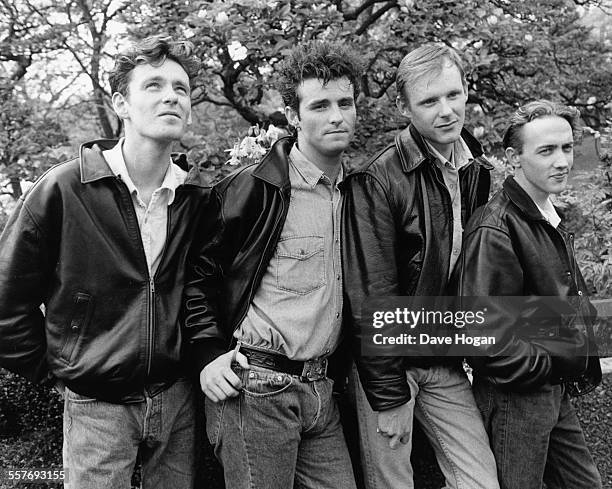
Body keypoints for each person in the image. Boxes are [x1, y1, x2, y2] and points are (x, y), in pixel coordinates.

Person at [0, 35, 209, 488]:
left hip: (178, 401)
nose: (172, 95)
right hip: (98, 407)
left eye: (181, 87)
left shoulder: (199, 197)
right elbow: (6, 301)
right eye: (153, 85)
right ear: (121, 103)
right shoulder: (63, 189)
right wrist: (57, 370)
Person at [182, 41, 360, 489]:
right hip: (256, 391)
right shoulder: (253, 188)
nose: (336, 115)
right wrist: (206, 356)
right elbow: (198, 277)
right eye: (320, 105)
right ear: (293, 115)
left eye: (345, 102)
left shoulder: (358, 193)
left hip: (321, 392)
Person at [342, 43, 500, 489]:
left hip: (442, 358)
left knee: (480, 480)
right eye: (429, 101)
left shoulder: (475, 170)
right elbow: (368, 294)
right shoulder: (378, 179)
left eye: (453, 95)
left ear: (467, 90)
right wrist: (389, 396)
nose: (446, 111)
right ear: (404, 106)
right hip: (387, 364)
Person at [453, 99, 602, 489]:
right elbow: (484, 337)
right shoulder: (497, 226)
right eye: (546, 151)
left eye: (567, 148)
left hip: (551, 389)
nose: (562, 161)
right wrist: (552, 364)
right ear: (513, 157)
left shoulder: (544, 214)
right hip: (516, 398)